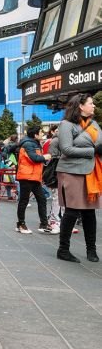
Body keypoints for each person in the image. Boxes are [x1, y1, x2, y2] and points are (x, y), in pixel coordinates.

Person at [56, 94, 101, 263]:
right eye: (91, 103)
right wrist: (93, 151)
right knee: (72, 211)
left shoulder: (95, 124)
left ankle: (92, 250)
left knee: (90, 213)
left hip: (90, 173)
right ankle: (63, 249)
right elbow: (66, 149)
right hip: (71, 172)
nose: (94, 106)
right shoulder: (66, 125)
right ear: (81, 106)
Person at [15, 126, 51, 234]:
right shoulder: (28, 144)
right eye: (40, 132)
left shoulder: (35, 143)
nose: (42, 134)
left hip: (34, 176)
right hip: (26, 176)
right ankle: (21, 224)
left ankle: (44, 224)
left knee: (42, 199)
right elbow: (34, 158)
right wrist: (45, 157)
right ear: (35, 135)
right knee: (24, 201)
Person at [43, 125, 62, 233]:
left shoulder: (53, 141)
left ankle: (56, 220)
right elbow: (50, 159)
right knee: (58, 197)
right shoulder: (55, 141)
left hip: (57, 172)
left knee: (59, 198)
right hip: (56, 172)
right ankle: (54, 221)